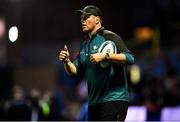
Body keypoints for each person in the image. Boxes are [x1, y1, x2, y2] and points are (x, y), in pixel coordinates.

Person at [59, 5, 134, 121]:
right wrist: (66, 61)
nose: (83, 21)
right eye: (81, 19)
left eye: (86, 17)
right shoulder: (85, 45)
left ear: (97, 20)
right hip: (94, 103)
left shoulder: (109, 36)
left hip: (113, 100)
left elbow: (130, 58)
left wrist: (106, 55)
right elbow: (74, 71)